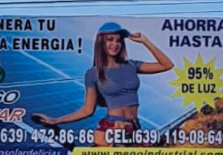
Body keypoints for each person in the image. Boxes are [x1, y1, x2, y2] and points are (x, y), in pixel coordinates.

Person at [33, 22, 173, 145]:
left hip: (134, 127)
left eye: (118, 41)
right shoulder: (93, 74)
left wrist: (145, 41)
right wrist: (56, 121)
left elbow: (167, 65)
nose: (115, 44)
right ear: (101, 43)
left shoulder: (131, 65)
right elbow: (87, 110)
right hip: (111, 128)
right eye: (110, 40)